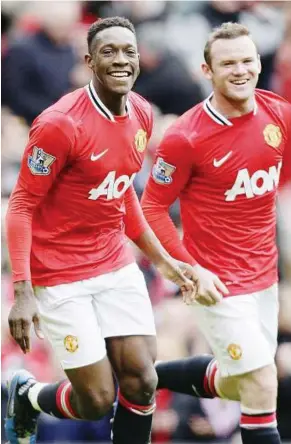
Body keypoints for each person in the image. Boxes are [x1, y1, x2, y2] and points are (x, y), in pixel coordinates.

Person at [4, 17, 197, 444]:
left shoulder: (143, 114)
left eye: (129, 51)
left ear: (139, 59)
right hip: (60, 274)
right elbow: (20, 206)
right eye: (108, 51)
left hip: (113, 262)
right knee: (96, 399)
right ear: (89, 61)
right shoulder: (59, 125)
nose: (121, 60)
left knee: (142, 381)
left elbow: (121, 191)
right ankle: (28, 395)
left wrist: (163, 259)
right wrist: (22, 291)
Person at [142, 22, 291, 444]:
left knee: (240, 383)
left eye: (247, 60)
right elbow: (150, 207)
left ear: (259, 63)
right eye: (228, 63)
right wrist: (188, 269)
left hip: (264, 276)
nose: (240, 70)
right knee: (262, 381)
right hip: (215, 282)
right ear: (207, 71)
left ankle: (145, 377)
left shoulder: (279, 114)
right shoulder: (186, 136)